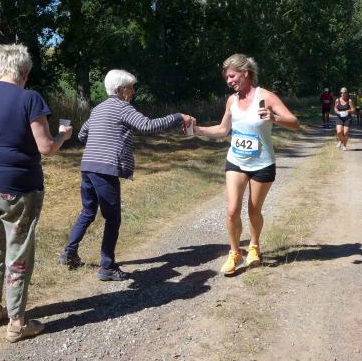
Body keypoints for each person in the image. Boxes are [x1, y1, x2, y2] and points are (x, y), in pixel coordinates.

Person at [0, 44, 73, 343]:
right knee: (18, 250)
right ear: (25, 71)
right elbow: (46, 148)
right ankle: (17, 322)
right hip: (16, 187)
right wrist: (63, 135)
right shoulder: (30, 98)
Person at [58, 69, 193, 281]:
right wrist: (177, 116)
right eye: (130, 88)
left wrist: (101, 140)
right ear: (120, 90)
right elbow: (147, 126)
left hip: (88, 167)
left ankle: (69, 253)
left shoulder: (98, 109)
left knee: (88, 211)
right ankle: (107, 267)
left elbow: (83, 134)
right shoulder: (123, 108)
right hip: (106, 169)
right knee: (112, 218)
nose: (133, 92)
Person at [193, 54, 299, 276]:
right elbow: (223, 130)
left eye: (232, 76)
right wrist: (197, 130)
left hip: (262, 164)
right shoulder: (231, 101)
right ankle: (234, 253)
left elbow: (294, 123)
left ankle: (254, 246)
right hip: (236, 161)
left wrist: (274, 118)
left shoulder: (266, 97)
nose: (229, 81)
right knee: (232, 210)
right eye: (227, 78)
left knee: (253, 211)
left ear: (245, 73)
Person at [334, 87, 355, 151]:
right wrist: (337, 111)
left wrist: (349, 111)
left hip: (347, 118)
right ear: (340, 93)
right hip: (339, 117)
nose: (343, 94)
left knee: (345, 133)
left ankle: (344, 145)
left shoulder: (349, 100)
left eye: (344, 93)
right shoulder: (337, 100)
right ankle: (341, 141)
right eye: (341, 93)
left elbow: (353, 109)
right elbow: (335, 108)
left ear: (346, 93)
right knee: (339, 132)